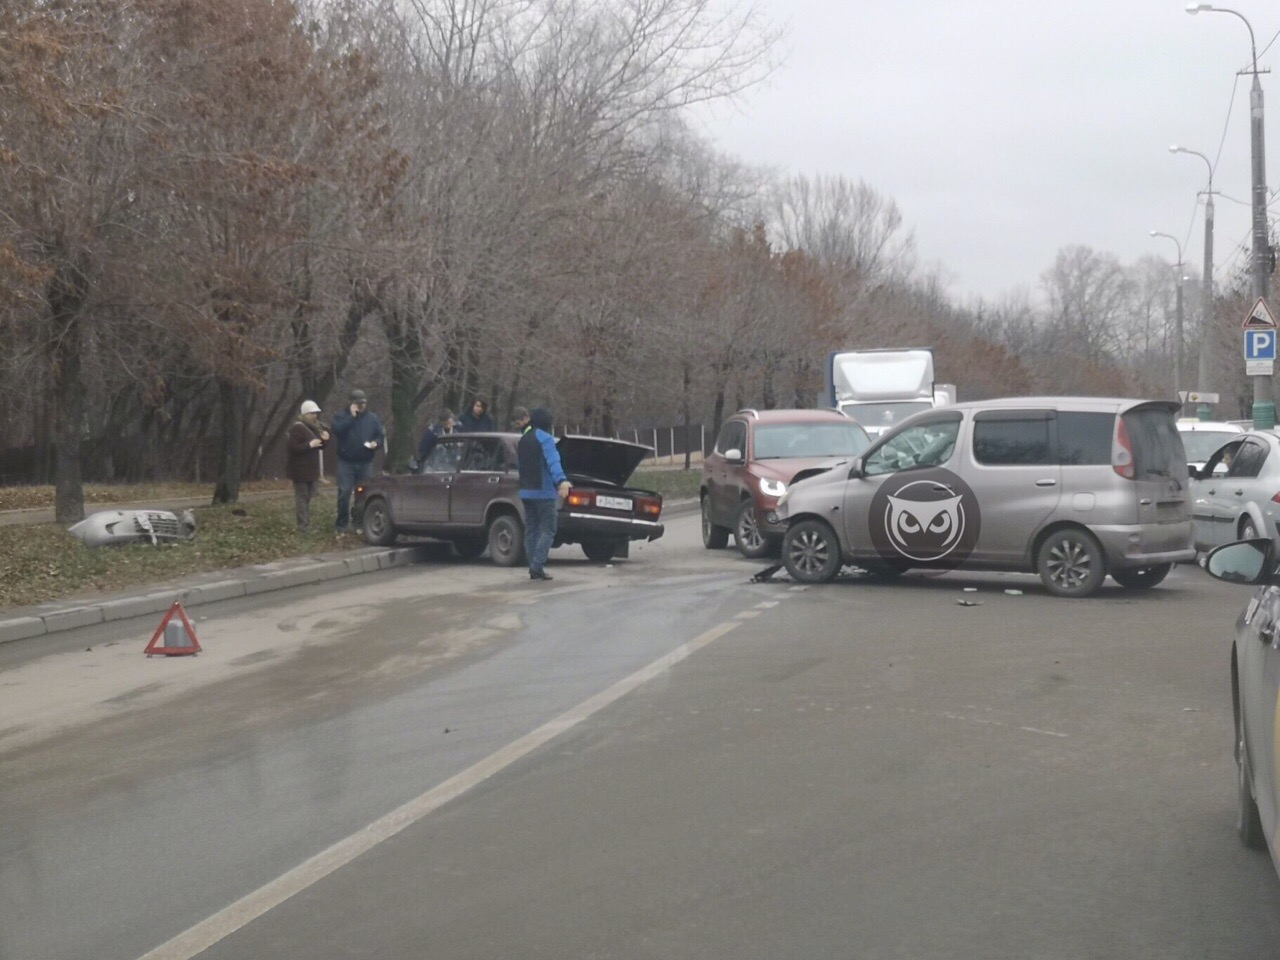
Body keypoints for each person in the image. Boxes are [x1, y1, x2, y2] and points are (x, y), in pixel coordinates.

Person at [517, 406, 570, 581]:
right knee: (548, 529)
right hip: (543, 492)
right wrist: (561, 481)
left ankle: (532, 564)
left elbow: (520, 466)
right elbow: (553, 461)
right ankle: (537, 566)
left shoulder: (523, 439)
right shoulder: (545, 439)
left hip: (526, 492)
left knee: (531, 529)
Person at [330, 388, 385, 534]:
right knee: (344, 492)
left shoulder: (372, 418)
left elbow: (380, 436)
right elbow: (337, 430)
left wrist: (376, 443)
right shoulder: (341, 416)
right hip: (346, 461)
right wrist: (351, 417)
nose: (361, 406)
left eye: (363, 403)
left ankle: (359, 522)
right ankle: (341, 523)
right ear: (351, 403)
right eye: (358, 403)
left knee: (363, 493)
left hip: (365, 461)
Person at [285, 400, 330, 534]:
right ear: (305, 414)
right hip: (300, 471)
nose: (315, 416)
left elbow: (320, 446)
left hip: (310, 471)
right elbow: (292, 448)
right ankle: (303, 527)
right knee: (302, 498)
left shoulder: (313, 428)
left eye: (316, 413)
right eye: (312, 413)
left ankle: (306, 524)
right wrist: (309, 445)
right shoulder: (297, 428)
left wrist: (324, 440)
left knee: (308, 497)